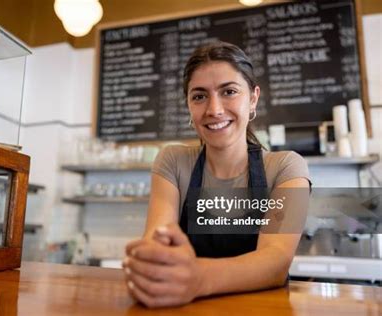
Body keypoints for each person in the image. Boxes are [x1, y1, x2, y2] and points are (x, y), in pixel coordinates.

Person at [122, 41, 311, 308]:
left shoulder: (286, 168)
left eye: (229, 92)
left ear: (253, 98)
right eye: (199, 96)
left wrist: (198, 277)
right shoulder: (173, 162)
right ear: (188, 104)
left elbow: (276, 261)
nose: (214, 110)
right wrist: (151, 260)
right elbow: (158, 245)